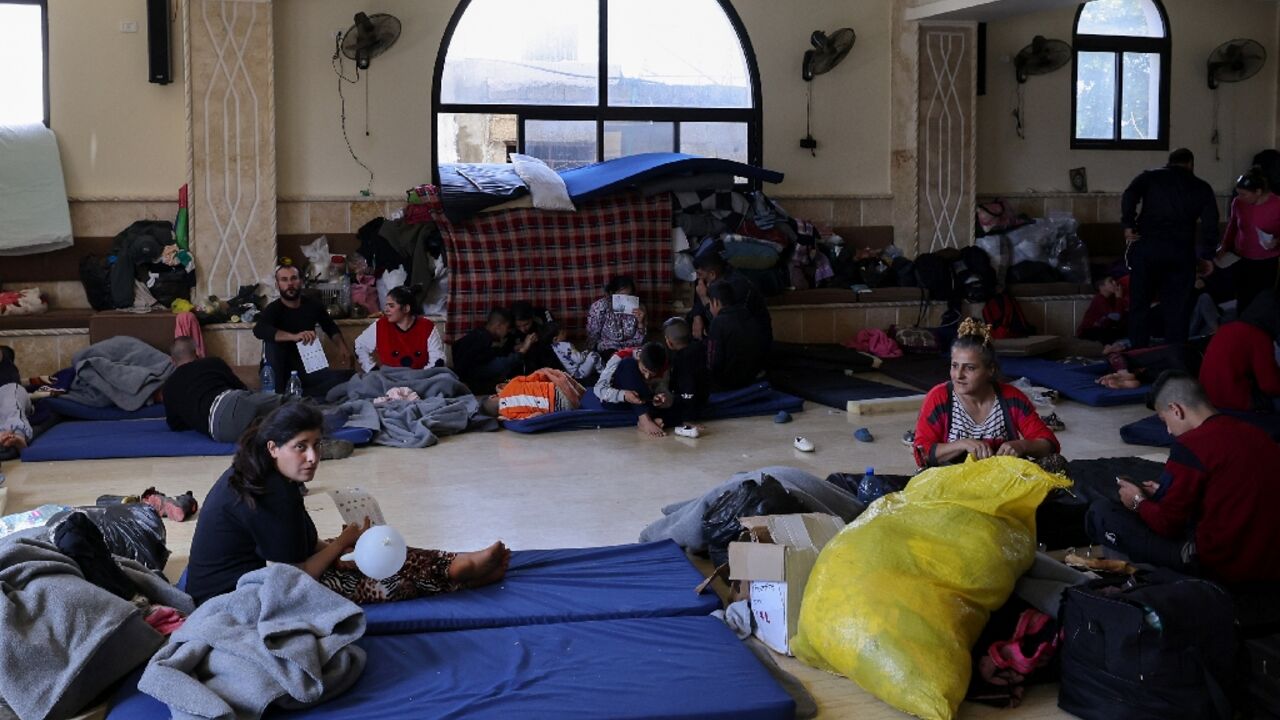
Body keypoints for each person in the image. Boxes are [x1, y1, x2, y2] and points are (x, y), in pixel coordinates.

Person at [183, 402, 511, 606]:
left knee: (374, 551)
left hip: (267, 575)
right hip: (231, 599)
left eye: (316, 445)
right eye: (300, 447)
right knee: (371, 581)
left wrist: (343, 547)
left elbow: (301, 542)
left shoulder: (270, 472)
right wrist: (341, 545)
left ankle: (453, 562)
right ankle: (458, 579)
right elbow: (298, 575)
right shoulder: (268, 491)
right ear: (273, 448)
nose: (312, 457)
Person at [1087, 371, 1280, 585]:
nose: (1169, 431)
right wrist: (1164, 493)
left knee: (1103, 513)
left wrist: (1137, 502)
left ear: (1176, 410)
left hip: (1222, 565)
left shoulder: (1191, 446)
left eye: (1165, 421)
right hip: (1270, 562)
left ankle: (1135, 585)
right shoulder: (1257, 434)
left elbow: (1167, 524)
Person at [911, 318, 1060, 467]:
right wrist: (961, 444)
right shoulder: (939, 397)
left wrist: (1022, 445)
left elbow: (1050, 444)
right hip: (952, 478)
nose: (958, 375)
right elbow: (922, 454)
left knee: (1056, 465)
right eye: (955, 366)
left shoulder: (1012, 398)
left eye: (970, 368)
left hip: (1000, 476)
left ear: (990, 370)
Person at [1121, 148, 1220, 348]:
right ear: (1191, 164)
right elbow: (1211, 223)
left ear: (1169, 162)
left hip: (1148, 248)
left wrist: (1128, 223)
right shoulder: (1201, 187)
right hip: (1180, 253)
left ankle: (1138, 354)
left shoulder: (1150, 177)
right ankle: (1175, 356)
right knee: (1178, 309)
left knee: (1140, 305)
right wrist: (1208, 255)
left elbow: (1129, 195)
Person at [253, 264, 354, 397]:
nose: (290, 284)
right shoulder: (273, 309)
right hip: (279, 369)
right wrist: (294, 336)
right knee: (271, 343)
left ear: (301, 281)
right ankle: (281, 396)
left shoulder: (313, 305)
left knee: (350, 378)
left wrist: (343, 348)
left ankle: (302, 394)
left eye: (293, 278)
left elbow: (329, 326)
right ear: (278, 285)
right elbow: (259, 330)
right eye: (284, 280)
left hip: (306, 366)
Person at [162, 336, 286, 443]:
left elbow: (176, 425)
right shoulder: (212, 362)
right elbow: (241, 387)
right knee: (288, 403)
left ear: (172, 360)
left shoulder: (168, 387)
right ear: (196, 353)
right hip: (234, 401)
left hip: (219, 431)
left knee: (272, 426)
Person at [1198, 289, 1280, 412]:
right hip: (1234, 400)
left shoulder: (1226, 328)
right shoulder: (1259, 337)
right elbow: (1270, 385)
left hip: (1207, 398)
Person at [1218, 167, 1280, 315]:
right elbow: (1232, 226)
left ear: (1258, 192)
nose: (1240, 197)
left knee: (1262, 299)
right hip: (1243, 257)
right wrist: (1223, 247)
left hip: (1267, 260)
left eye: (1244, 194)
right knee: (1243, 297)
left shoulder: (1277, 204)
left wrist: (1277, 241)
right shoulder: (1238, 202)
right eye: (1238, 193)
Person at [353, 285, 445, 373]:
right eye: (386, 305)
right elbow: (359, 346)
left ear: (406, 308)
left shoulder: (426, 326)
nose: (386, 310)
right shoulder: (380, 325)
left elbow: (437, 359)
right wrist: (372, 369)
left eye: (391, 306)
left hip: (420, 376)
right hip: (389, 378)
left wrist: (422, 375)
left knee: (446, 378)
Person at [687, 253, 772, 346]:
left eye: (699, 274)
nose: (698, 278)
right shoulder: (715, 280)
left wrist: (704, 298)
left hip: (752, 344)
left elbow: (724, 323)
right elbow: (700, 302)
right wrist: (697, 316)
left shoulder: (735, 287)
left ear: (712, 274)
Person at [594, 342, 674, 437]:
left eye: (652, 374)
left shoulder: (663, 366)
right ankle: (644, 419)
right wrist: (623, 395)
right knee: (628, 364)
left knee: (681, 406)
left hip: (645, 401)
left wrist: (660, 397)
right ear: (638, 357)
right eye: (644, 371)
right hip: (617, 401)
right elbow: (599, 390)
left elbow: (663, 389)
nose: (647, 376)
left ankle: (646, 420)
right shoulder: (620, 357)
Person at [451, 308, 530, 395]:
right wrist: (522, 351)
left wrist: (513, 349)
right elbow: (497, 365)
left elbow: (490, 355)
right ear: (499, 326)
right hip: (472, 384)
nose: (507, 332)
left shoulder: (478, 333)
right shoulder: (482, 339)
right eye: (507, 328)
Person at [705, 281, 767, 391]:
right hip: (754, 377)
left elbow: (713, 362)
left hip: (730, 383)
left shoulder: (718, 323)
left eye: (709, 304)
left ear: (715, 302)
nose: (710, 309)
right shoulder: (749, 315)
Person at [585, 276, 647, 354]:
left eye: (629, 295)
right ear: (612, 293)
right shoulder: (600, 307)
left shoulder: (638, 308)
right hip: (608, 348)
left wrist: (641, 322)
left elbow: (640, 340)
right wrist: (591, 353)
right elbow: (593, 334)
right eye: (622, 295)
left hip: (631, 348)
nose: (626, 299)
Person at [663, 317, 708, 424]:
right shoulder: (701, 346)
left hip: (697, 402)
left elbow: (688, 393)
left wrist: (686, 420)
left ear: (669, 342)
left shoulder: (681, 361)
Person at [1077, 273, 1130, 345]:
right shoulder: (1099, 299)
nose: (1115, 283)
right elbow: (1116, 316)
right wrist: (1119, 297)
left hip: (1102, 328)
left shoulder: (1110, 299)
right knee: (1107, 335)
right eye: (1111, 281)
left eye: (1114, 280)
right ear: (1101, 286)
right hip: (1087, 331)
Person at [511, 301, 562, 374]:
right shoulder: (510, 323)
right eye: (518, 326)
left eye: (526, 324)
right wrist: (521, 346)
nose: (523, 329)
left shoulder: (542, 314)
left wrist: (540, 337)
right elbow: (508, 346)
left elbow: (554, 331)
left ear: (532, 318)